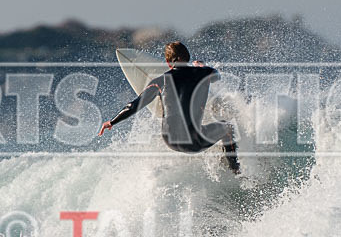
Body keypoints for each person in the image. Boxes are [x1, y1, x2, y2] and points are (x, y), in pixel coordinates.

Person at [99, 41, 240, 174]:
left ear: (168, 62)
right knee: (227, 128)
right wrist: (202, 67)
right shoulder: (203, 73)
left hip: (170, 140)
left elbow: (135, 105)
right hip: (193, 141)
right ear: (188, 57)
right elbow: (217, 76)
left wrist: (111, 122)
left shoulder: (160, 81)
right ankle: (235, 170)